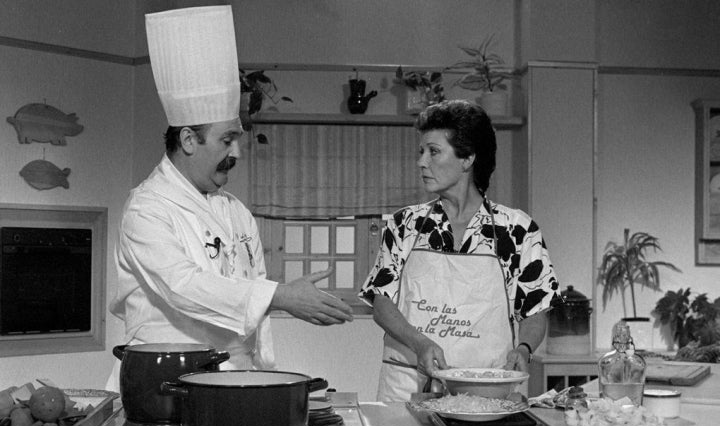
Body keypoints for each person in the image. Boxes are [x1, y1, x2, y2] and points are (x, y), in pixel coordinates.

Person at [107, 6, 352, 390]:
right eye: (227, 139)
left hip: (233, 382)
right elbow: (183, 287)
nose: (237, 153)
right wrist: (281, 296)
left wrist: (265, 371)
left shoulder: (234, 211)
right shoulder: (147, 208)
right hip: (161, 383)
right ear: (189, 139)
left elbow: (250, 301)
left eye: (238, 138)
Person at [359, 100, 559, 402]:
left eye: (434, 151)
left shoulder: (517, 230)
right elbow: (382, 302)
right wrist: (420, 343)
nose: (421, 162)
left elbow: (534, 309)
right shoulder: (405, 224)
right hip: (406, 388)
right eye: (421, 152)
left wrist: (524, 349)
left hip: (484, 391)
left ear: (467, 159)